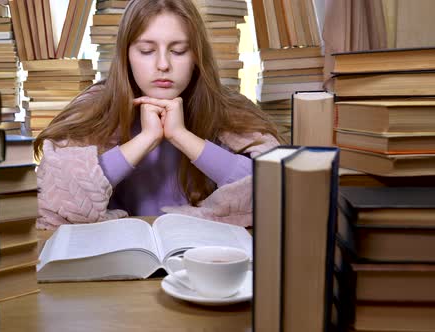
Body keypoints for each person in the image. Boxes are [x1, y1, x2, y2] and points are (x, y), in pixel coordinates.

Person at [34, 0, 280, 230]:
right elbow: (59, 199)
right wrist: (146, 139)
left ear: (196, 57)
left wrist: (181, 136)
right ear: (126, 56)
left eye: (179, 51)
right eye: (146, 50)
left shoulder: (229, 108)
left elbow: (275, 185)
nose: (163, 65)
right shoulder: (93, 106)